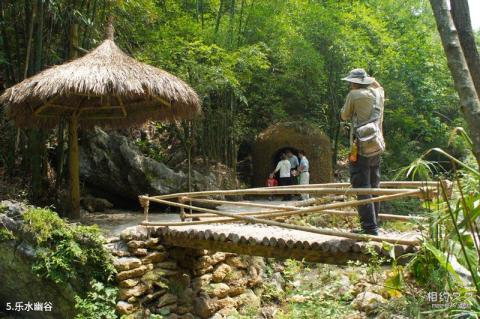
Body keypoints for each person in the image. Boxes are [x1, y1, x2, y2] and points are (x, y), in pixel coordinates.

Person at [341, 68, 385, 236]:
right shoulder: (378, 94)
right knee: (375, 184)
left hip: (360, 147)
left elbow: (344, 115)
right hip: (376, 145)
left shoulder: (354, 95)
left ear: (354, 82)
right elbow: (379, 86)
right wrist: (369, 81)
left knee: (361, 185)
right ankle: (375, 224)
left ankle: (369, 228)